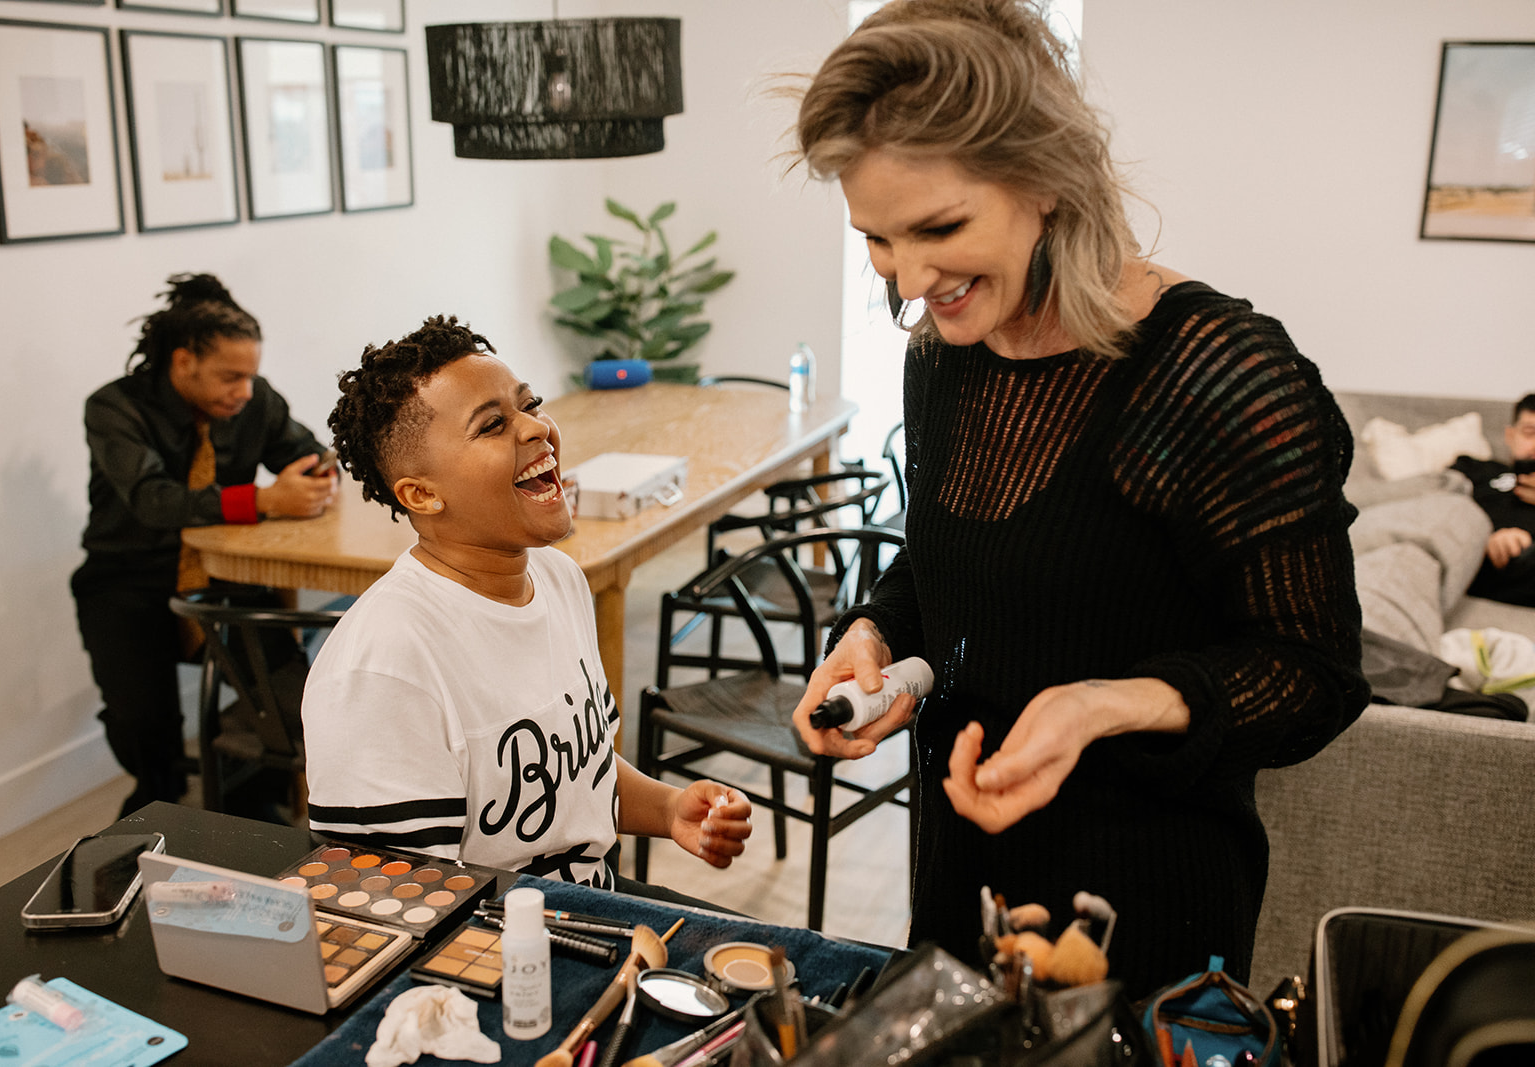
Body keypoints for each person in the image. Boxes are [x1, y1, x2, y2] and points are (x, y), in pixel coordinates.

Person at [786, 0, 1369, 997]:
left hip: (1142, 905)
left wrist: (1103, 703)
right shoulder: (945, 353)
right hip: (960, 872)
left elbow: (1311, 673)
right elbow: (955, 556)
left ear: (1048, 182)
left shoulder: (1217, 373)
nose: (913, 279)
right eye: (878, 239)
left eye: (940, 228)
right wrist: (875, 630)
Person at [306, 315, 753, 888]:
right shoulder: (384, 664)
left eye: (530, 403)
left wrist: (667, 810)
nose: (536, 428)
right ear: (422, 494)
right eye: (493, 425)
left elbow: (576, 772)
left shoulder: (559, 577)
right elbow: (392, 904)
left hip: (592, 909)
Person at [72, 273, 338, 817]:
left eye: (251, 375)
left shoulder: (254, 401)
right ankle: (157, 794)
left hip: (225, 573)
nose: (244, 391)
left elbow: (308, 452)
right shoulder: (113, 409)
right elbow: (154, 501)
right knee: (140, 719)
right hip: (127, 576)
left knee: (280, 697)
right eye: (230, 376)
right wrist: (263, 501)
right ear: (182, 361)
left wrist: (318, 477)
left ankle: (254, 801)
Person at [1451, 395, 1535, 607]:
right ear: (1510, 435)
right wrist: (1483, 536)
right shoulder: (1477, 469)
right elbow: (1438, 502)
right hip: (1472, 557)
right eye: (1530, 433)